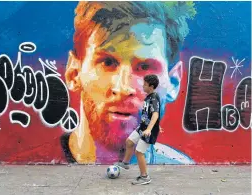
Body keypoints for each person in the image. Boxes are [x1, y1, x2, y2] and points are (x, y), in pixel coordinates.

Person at [60, 1, 196, 165]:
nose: (124, 87)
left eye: (144, 67)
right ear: (74, 73)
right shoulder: (39, 174)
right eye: (108, 63)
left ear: (173, 82)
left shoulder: (181, 175)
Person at [115, 74, 161, 185]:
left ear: (151, 86)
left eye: (145, 85)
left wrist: (150, 129)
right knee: (129, 142)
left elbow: (155, 114)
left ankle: (144, 177)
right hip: (142, 127)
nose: (143, 86)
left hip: (147, 131)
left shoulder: (154, 98)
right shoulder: (149, 97)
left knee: (139, 152)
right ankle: (125, 163)